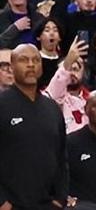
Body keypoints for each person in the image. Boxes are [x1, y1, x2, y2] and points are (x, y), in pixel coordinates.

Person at [0, 44, 68, 210]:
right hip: (12, 204)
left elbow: (61, 157)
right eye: (24, 60)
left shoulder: (52, 108)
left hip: (48, 204)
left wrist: (60, 198)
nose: (31, 65)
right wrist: (2, 201)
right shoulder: (2, 104)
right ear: (12, 67)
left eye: (36, 60)